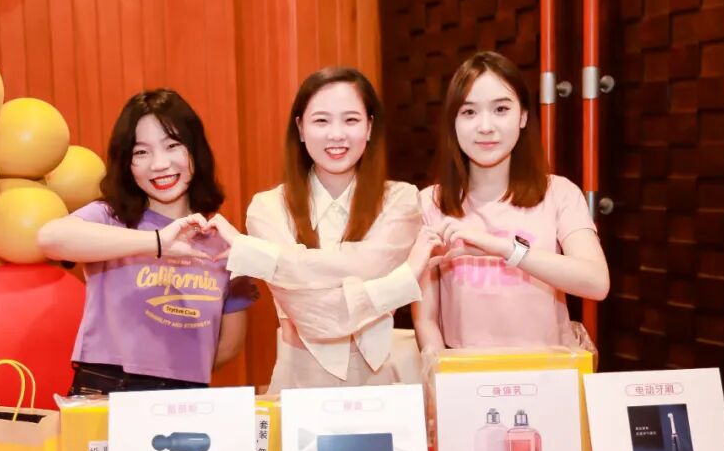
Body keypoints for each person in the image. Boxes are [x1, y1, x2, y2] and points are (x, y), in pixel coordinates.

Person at [206, 67, 441, 390]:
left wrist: (265, 258)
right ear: (300, 128)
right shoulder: (267, 208)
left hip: (380, 385)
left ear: (369, 127)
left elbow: (363, 270)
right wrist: (402, 280)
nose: (336, 134)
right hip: (297, 384)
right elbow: (315, 318)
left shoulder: (400, 201)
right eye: (321, 121)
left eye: (351, 119)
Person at [38, 88, 257, 394]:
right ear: (127, 163)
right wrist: (156, 242)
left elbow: (230, 344)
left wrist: (174, 381)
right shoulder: (110, 218)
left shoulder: (223, 240)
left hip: (185, 394)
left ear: (196, 151)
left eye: (172, 145)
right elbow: (50, 238)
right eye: (141, 152)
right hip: (108, 387)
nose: (159, 164)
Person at [413, 51, 609, 357]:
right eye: (469, 112)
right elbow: (425, 319)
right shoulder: (430, 203)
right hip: (465, 372)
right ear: (454, 122)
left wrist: (504, 249)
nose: (485, 126)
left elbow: (596, 282)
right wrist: (441, 374)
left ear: (523, 116)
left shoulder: (559, 193)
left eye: (501, 109)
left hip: (548, 370)